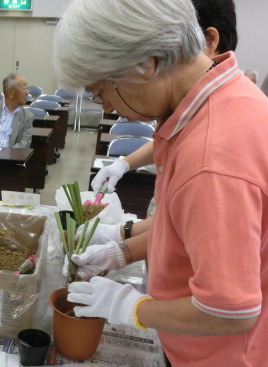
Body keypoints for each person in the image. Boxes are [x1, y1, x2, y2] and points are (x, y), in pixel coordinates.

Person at [53, 1, 268, 367]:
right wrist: (123, 250)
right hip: (221, 349)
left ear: (146, 62)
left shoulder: (215, 154)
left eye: (103, 89)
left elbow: (229, 308)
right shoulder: (214, 100)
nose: (106, 105)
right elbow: (195, 228)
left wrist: (131, 307)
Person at [86, 0, 238, 245]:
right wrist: (124, 164)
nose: (109, 107)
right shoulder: (194, 107)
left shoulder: (216, 141)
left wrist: (121, 243)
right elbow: (176, 225)